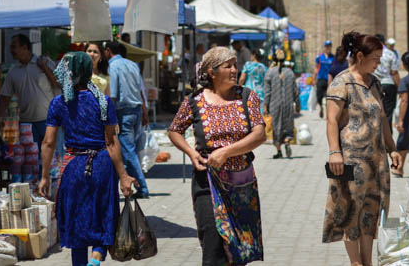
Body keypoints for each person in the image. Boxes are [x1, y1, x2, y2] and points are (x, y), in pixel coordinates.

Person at [167, 46, 266, 265]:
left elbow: (260, 134)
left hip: (241, 184)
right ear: (212, 72)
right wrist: (191, 153)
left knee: (238, 249)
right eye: (227, 66)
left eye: (235, 65)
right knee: (212, 243)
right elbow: (174, 130)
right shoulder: (195, 101)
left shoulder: (247, 97)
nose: (234, 70)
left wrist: (226, 152)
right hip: (207, 182)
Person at [37, 51, 136, 266]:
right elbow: (112, 143)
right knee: (104, 215)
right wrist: (124, 176)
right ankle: (97, 258)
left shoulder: (58, 103)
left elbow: (48, 143)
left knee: (76, 222)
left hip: (74, 167)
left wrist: (44, 176)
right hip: (102, 166)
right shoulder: (104, 101)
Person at [323, 31, 401, 266]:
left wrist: (392, 148)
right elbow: (331, 121)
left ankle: (367, 261)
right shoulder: (342, 82)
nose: (379, 63)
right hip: (350, 161)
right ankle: (355, 262)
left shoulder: (375, 82)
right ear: (359, 55)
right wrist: (334, 152)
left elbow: (384, 118)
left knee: (370, 213)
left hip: (376, 162)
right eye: (375, 58)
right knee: (351, 212)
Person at [0, 34, 58, 151]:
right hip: (27, 124)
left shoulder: (44, 62)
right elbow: (5, 98)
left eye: (14, 47)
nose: (11, 50)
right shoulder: (13, 71)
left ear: (25, 47)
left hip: (48, 121)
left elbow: (57, 84)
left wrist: (44, 67)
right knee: (30, 162)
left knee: (50, 161)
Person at [106, 40, 150, 199]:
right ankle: (131, 185)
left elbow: (113, 94)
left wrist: (108, 117)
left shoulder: (113, 66)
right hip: (136, 110)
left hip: (123, 112)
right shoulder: (132, 65)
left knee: (128, 151)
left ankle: (143, 188)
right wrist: (145, 113)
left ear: (108, 51)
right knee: (128, 151)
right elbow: (140, 91)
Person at [264, 59, 298, 158]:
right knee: (288, 125)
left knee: (276, 127)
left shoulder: (269, 73)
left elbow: (267, 92)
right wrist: (298, 104)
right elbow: (295, 90)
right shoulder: (290, 72)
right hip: (288, 104)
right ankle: (287, 140)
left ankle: (279, 151)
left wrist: (265, 106)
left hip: (275, 105)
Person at [373, 33, 400, 128]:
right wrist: (400, 87)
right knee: (388, 112)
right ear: (384, 42)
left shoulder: (371, 53)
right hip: (388, 84)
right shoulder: (390, 54)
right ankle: (387, 134)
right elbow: (394, 72)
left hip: (374, 84)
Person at [315, 41, 336, 118]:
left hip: (329, 80)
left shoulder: (333, 58)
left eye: (329, 46)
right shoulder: (319, 57)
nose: (328, 48)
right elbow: (316, 67)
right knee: (319, 97)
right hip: (321, 79)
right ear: (324, 47)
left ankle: (328, 113)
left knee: (328, 97)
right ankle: (321, 107)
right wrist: (314, 78)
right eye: (327, 46)